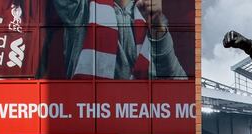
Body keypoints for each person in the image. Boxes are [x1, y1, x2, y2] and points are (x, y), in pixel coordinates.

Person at [51, 0, 186, 79]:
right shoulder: (80, 8)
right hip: (91, 118)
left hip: (141, 120)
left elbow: (179, 84)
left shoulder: (152, 12)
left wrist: (157, 26)